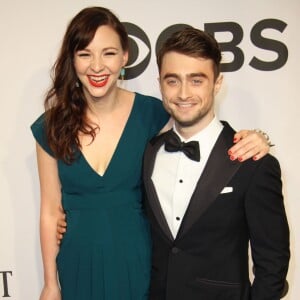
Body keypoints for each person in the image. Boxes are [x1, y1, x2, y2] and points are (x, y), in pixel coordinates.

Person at [32, 6, 270, 300]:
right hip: (79, 262)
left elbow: (201, 130)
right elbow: (49, 212)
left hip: (140, 262)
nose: (96, 66)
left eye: (108, 53)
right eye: (84, 54)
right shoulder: (51, 126)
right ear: (72, 59)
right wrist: (50, 283)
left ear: (125, 57)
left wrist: (257, 138)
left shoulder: (154, 114)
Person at [142, 27, 290, 300]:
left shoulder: (253, 163)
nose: (183, 93)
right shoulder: (148, 153)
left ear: (217, 83)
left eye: (196, 80)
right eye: (172, 81)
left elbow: (273, 263)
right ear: (160, 83)